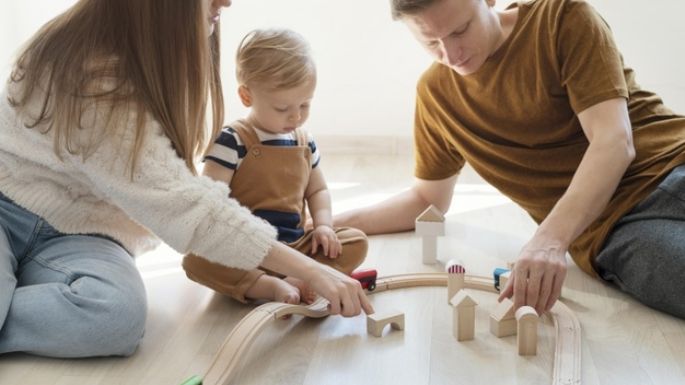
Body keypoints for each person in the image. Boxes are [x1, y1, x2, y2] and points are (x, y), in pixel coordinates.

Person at [0, 0, 372, 359]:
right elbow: (190, 208)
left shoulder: (152, 64)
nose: (226, 2)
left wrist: (310, 257)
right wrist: (311, 270)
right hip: (6, 213)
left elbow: (184, 199)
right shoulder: (85, 72)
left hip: (83, 235)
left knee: (115, 316)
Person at [335, 0, 685, 319]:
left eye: (460, 30)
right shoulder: (436, 95)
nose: (451, 53)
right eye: (431, 43)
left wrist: (548, 241)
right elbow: (427, 200)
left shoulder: (561, 17)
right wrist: (327, 224)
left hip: (675, 161)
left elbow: (613, 141)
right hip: (615, 229)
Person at [182, 28, 369, 305]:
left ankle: (298, 277)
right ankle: (267, 285)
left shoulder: (305, 142)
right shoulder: (231, 141)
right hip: (243, 249)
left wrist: (324, 227)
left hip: (296, 246)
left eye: (305, 104)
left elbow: (318, 191)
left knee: (355, 241)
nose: (296, 116)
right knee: (196, 260)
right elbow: (212, 202)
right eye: (282, 108)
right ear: (247, 96)